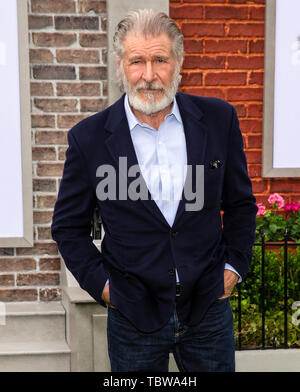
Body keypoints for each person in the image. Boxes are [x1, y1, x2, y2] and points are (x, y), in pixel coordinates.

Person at [51, 9, 258, 372]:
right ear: (120, 66)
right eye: (137, 61)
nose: (149, 75)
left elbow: (240, 204)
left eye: (160, 59)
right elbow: (68, 229)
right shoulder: (88, 139)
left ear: (178, 62)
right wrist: (104, 287)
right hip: (132, 316)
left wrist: (233, 267)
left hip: (207, 309)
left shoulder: (218, 119)